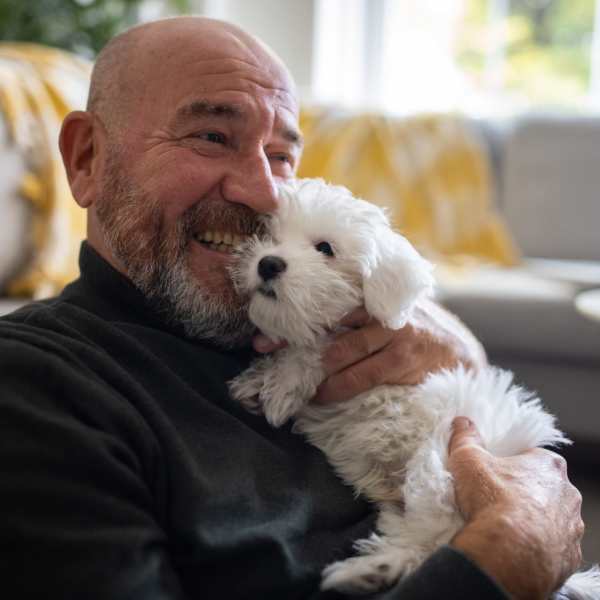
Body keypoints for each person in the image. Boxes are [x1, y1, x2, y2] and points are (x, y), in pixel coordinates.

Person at [0, 16, 583, 600]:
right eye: (211, 136)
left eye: (281, 155)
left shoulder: (323, 328)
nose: (264, 191)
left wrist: (459, 348)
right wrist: (508, 555)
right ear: (86, 158)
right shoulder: (37, 389)